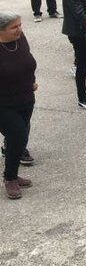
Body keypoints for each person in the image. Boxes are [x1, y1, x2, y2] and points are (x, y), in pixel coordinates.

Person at [0, 12, 37, 199]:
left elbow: (27, 60)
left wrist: (32, 80)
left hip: (25, 98)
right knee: (18, 135)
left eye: (20, 25)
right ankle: (10, 178)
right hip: (4, 104)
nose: (19, 30)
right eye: (14, 27)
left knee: (20, 138)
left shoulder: (20, 39)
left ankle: (12, 172)